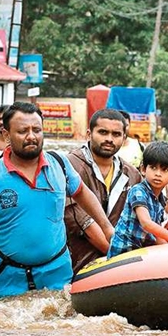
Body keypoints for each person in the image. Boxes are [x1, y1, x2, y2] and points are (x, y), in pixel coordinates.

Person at [0, 102, 115, 300]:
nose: (31, 136)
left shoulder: (60, 165)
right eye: (22, 131)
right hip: (7, 279)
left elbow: (83, 193)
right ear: (6, 134)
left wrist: (107, 228)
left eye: (36, 130)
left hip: (57, 277)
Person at [64, 108, 143, 273]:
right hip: (78, 262)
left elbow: (141, 220)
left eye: (116, 134)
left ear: (124, 138)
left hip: (119, 261)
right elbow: (80, 220)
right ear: (89, 134)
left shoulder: (131, 174)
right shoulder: (69, 165)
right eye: (103, 132)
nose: (109, 139)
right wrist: (120, 258)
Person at [108, 142, 168, 258]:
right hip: (123, 254)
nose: (158, 174)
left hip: (140, 253)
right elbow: (146, 224)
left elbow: (157, 235)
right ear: (143, 169)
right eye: (153, 168)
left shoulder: (161, 201)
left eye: (164, 170)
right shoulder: (138, 191)